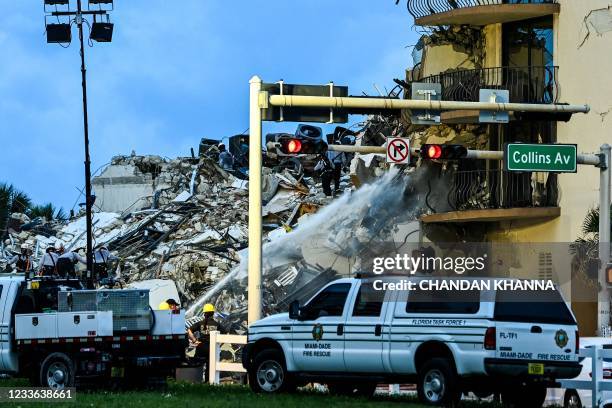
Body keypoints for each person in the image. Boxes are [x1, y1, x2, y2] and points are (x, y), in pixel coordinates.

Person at [187, 303, 224, 380]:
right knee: (210, 366)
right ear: (213, 313)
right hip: (212, 347)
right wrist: (219, 345)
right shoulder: (217, 324)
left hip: (201, 346)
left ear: (204, 314)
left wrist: (194, 340)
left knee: (197, 363)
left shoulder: (200, 323)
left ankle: (195, 379)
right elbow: (225, 334)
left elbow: (189, 330)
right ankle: (208, 382)